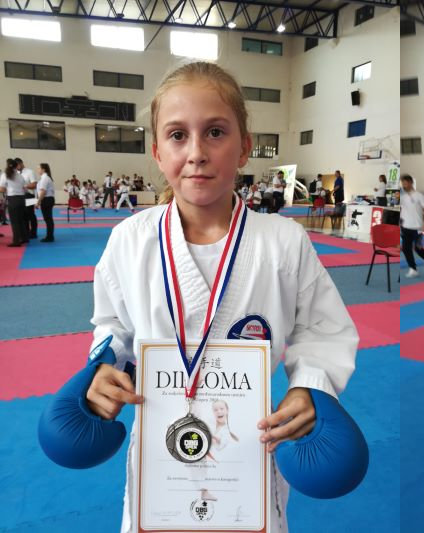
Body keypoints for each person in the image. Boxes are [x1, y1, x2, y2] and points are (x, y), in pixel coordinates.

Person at [81, 61, 359, 532]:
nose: (196, 153)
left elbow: (323, 329)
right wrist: (107, 368)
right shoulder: (130, 240)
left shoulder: (283, 242)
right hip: (158, 453)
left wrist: (310, 385)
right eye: (177, 135)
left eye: (214, 132)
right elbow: (113, 326)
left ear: (244, 146)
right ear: (157, 151)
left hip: (249, 446)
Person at [397, 174, 424, 278]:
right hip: (405, 226)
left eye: (405, 183)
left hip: (418, 227)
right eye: (402, 183)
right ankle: (413, 269)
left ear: (411, 183)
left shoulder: (419, 195)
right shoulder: (402, 197)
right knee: (406, 248)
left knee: (418, 248)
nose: (404, 185)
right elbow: (399, 208)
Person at [2, 159, 29, 246]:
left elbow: (2, 189)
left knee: (14, 221)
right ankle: (24, 238)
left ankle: (16, 241)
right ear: (16, 166)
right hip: (21, 199)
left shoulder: (5, 175)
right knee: (20, 220)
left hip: (13, 199)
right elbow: (24, 188)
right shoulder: (19, 175)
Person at [17, 158, 37, 239]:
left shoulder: (30, 172)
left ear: (21, 163)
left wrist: (24, 186)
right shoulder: (16, 173)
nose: (16, 167)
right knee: (23, 215)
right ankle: (26, 232)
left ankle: (33, 233)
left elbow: (34, 185)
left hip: (30, 195)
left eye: (17, 165)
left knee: (30, 214)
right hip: (20, 196)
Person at [36, 163, 55, 243]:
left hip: (46, 199)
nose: (37, 170)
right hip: (47, 199)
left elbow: (43, 191)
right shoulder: (45, 178)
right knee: (48, 219)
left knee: (48, 219)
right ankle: (50, 236)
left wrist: (38, 202)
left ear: (43, 169)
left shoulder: (45, 178)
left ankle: (49, 236)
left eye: (39, 168)